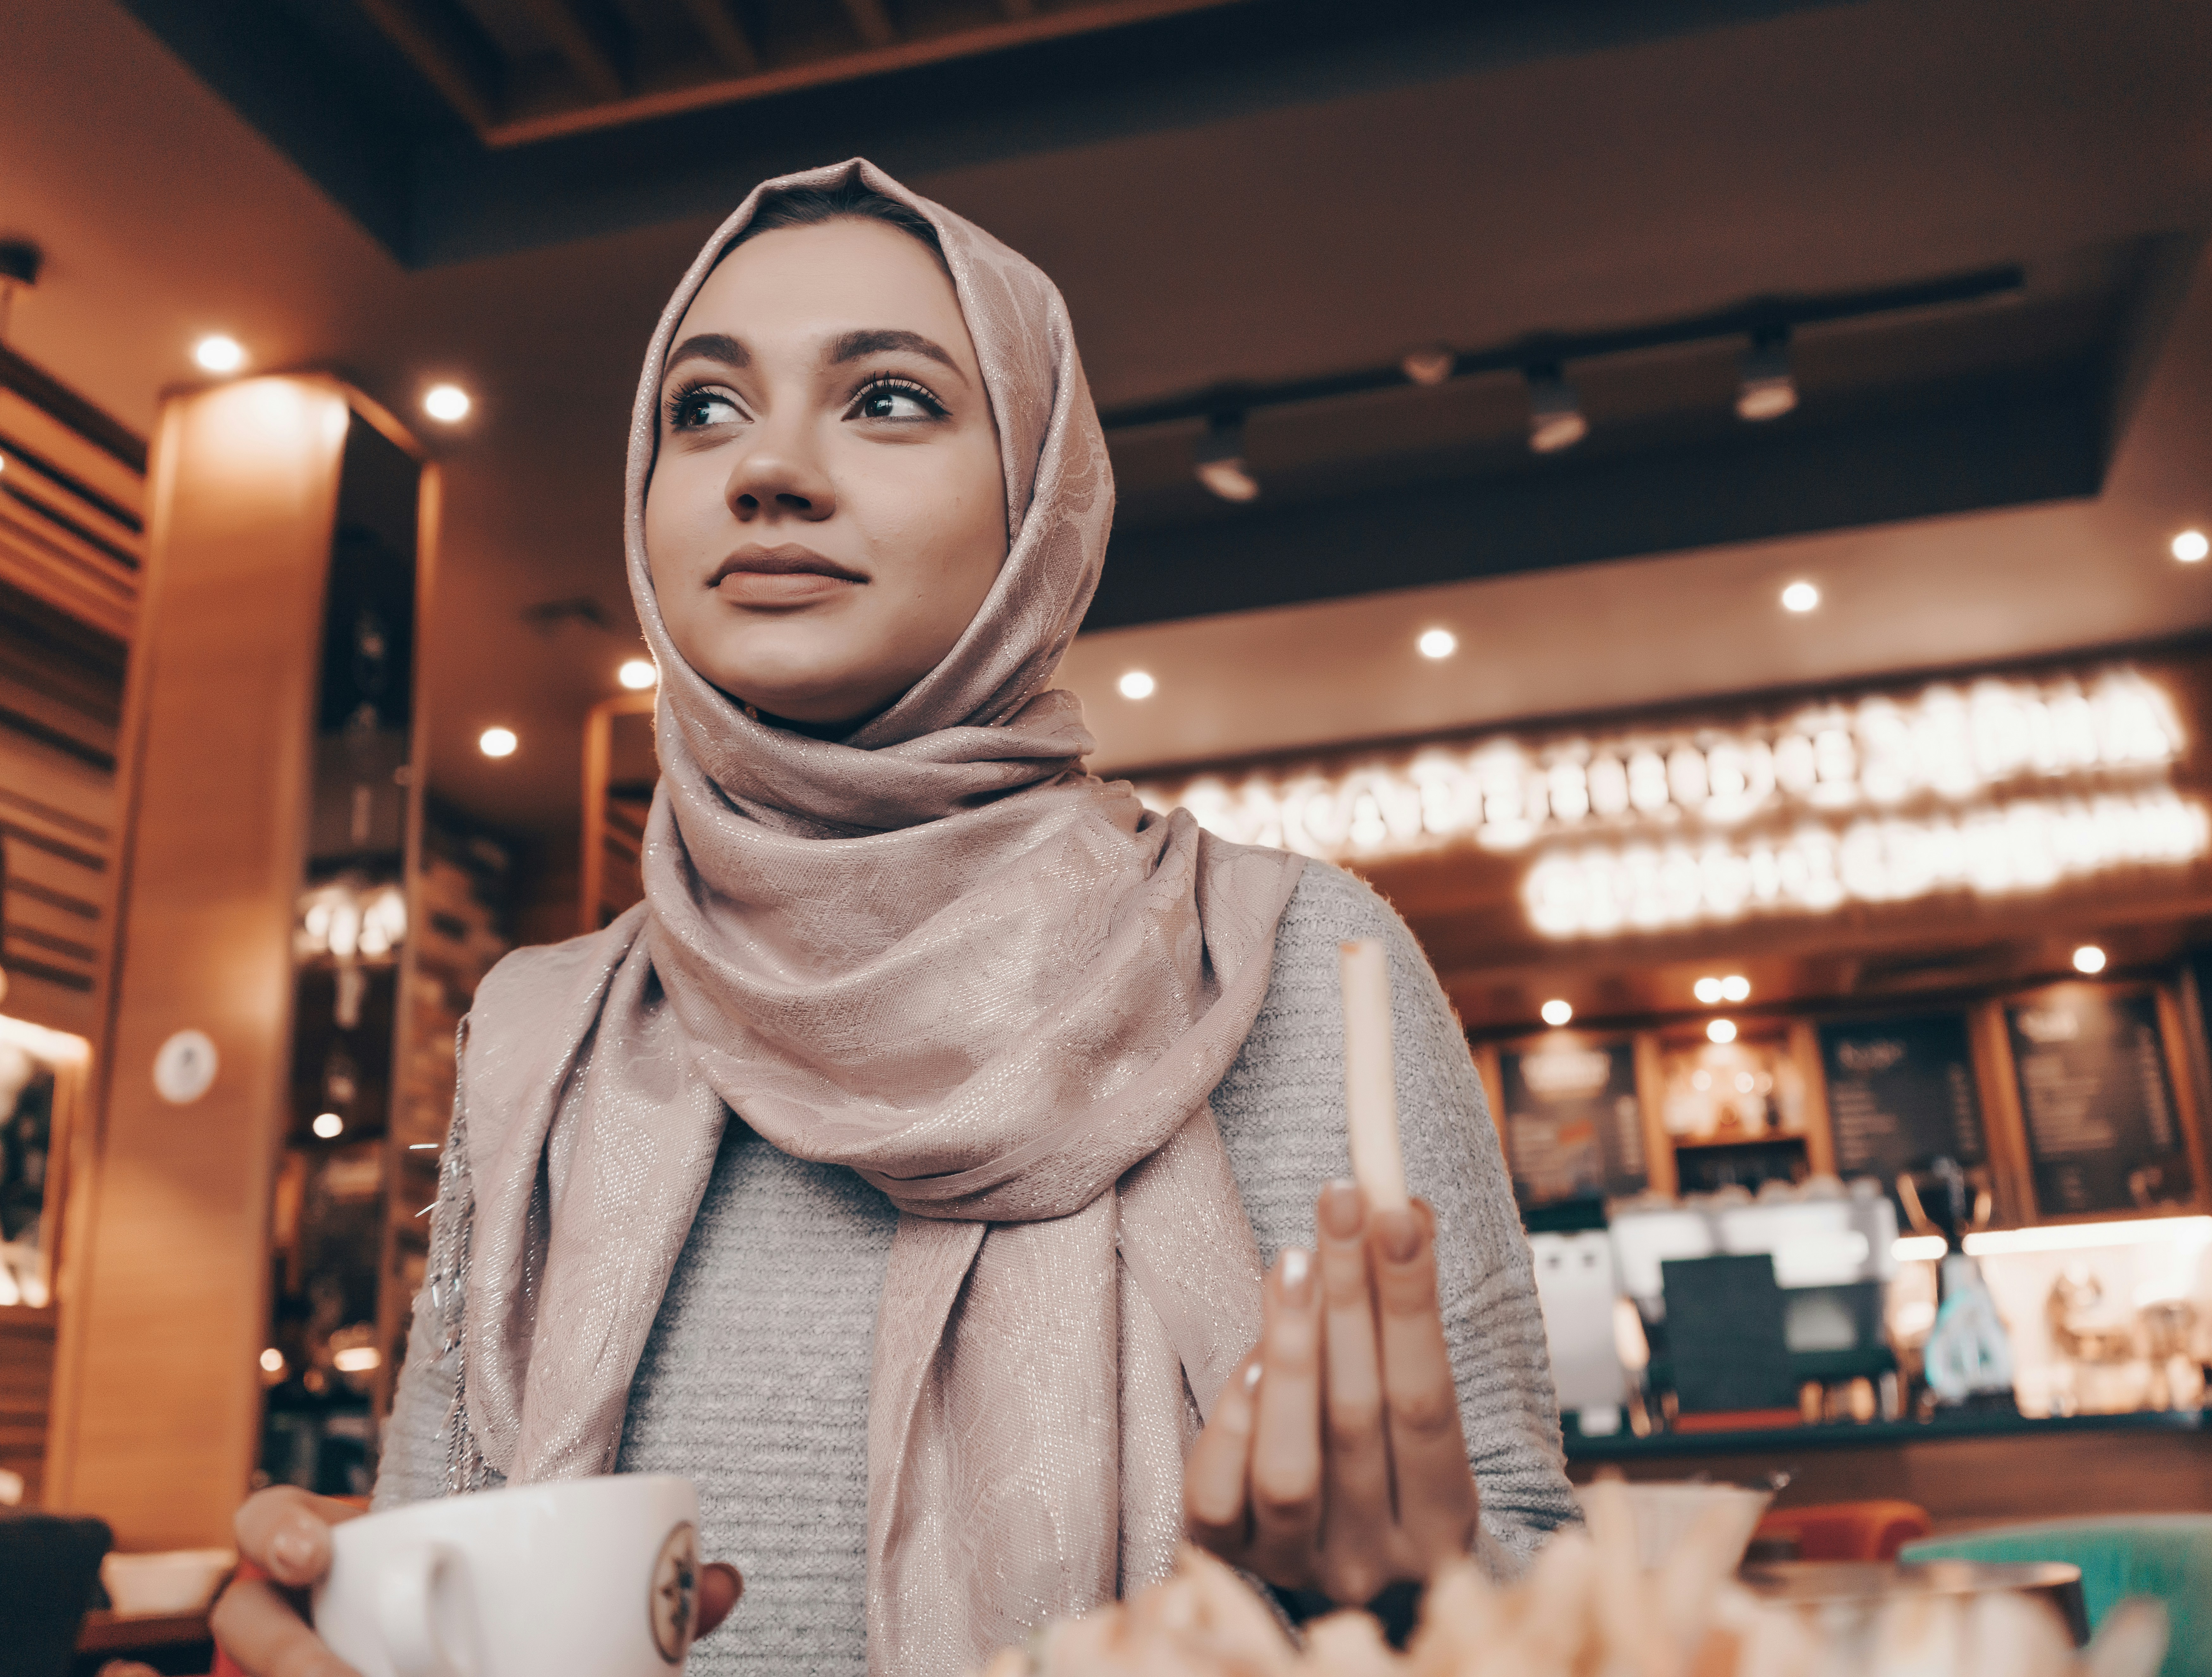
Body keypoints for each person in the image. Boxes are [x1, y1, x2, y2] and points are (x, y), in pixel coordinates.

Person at [195, 159, 1578, 1677]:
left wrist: (1412, 1596)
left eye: (891, 400)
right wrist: (337, 1625)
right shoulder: (548, 1035)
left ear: (1040, 499)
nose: (764, 472)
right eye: (701, 410)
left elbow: (1538, 1590)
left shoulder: (1294, 967)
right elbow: (440, 1545)